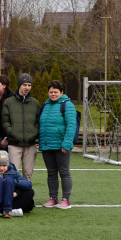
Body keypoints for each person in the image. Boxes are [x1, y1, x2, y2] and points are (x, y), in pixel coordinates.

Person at [39, 80, 76, 209]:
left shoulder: (68, 105)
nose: (53, 94)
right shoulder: (45, 105)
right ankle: (53, 198)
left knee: (64, 172)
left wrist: (66, 144)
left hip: (61, 146)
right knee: (51, 173)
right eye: (51, 92)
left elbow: (72, 125)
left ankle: (66, 199)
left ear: (61, 92)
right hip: (47, 145)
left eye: (55, 92)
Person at [2, 73, 40, 182]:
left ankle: (26, 198)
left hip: (30, 145)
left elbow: (37, 122)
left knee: (28, 174)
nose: (27, 87)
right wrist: (12, 133)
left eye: (29, 85)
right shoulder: (9, 102)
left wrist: (33, 134)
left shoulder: (35, 103)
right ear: (19, 85)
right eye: (24, 84)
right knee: (13, 173)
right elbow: (5, 122)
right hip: (14, 144)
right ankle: (13, 196)